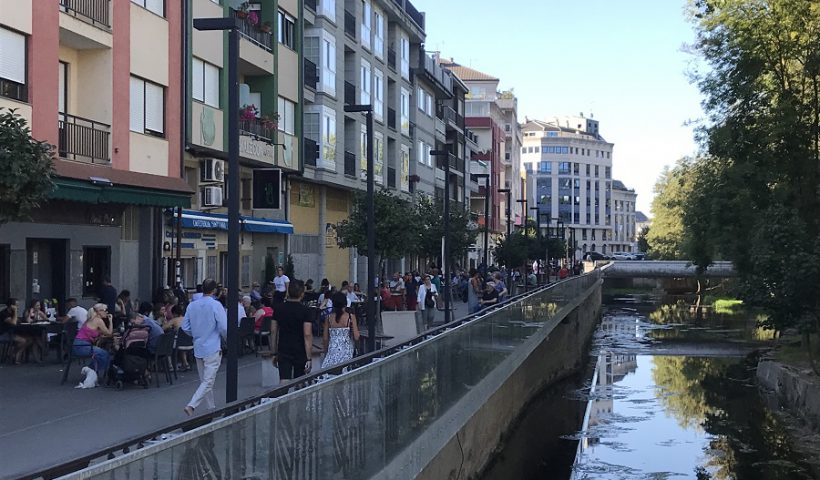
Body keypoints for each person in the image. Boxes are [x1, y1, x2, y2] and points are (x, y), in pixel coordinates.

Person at [182, 278, 228, 416]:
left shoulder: (192, 305)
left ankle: (211, 408)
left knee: (205, 380)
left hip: (198, 346)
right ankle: (192, 405)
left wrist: (196, 334)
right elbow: (224, 327)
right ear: (214, 290)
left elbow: (185, 327)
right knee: (208, 381)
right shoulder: (216, 305)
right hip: (212, 346)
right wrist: (226, 339)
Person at [271, 280, 313, 382]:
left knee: (284, 381)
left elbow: (273, 331)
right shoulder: (305, 311)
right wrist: (309, 357)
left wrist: (274, 352)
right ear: (302, 293)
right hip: (300, 350)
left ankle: (284, 397)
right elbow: (307, 334)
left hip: (283, 349)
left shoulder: (278, 308)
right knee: (300, 382)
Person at [321, 291, 360, 369]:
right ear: (345, 303)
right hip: (347, 349)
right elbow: (356, 336)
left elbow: (325, 338)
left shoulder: (328, 317)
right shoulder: (350, 317)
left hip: (332, 349)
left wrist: (326, 351)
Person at [71, 303, 112, 376]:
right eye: (105, 310)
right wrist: (110, 320)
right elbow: (109, 333)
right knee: (105, 354)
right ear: (99, 311)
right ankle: (91, 371)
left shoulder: (90, 319)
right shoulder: (98, 320)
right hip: (82, 346)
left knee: (100, 354)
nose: (107, 312)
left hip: (78, 345)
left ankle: (91, 371)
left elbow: (93, 333)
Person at [0, 299, 31, 364]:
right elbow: (13, 322)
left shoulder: (12, 313)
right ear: (11, 306)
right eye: (16, 305)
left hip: (12, 332)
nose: (18, 307)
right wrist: (16, 311)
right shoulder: (3, 313)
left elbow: (18, 321)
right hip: (3, 333)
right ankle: (13, 354)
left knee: (29, 339)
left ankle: (14, 354)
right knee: (23, 341)